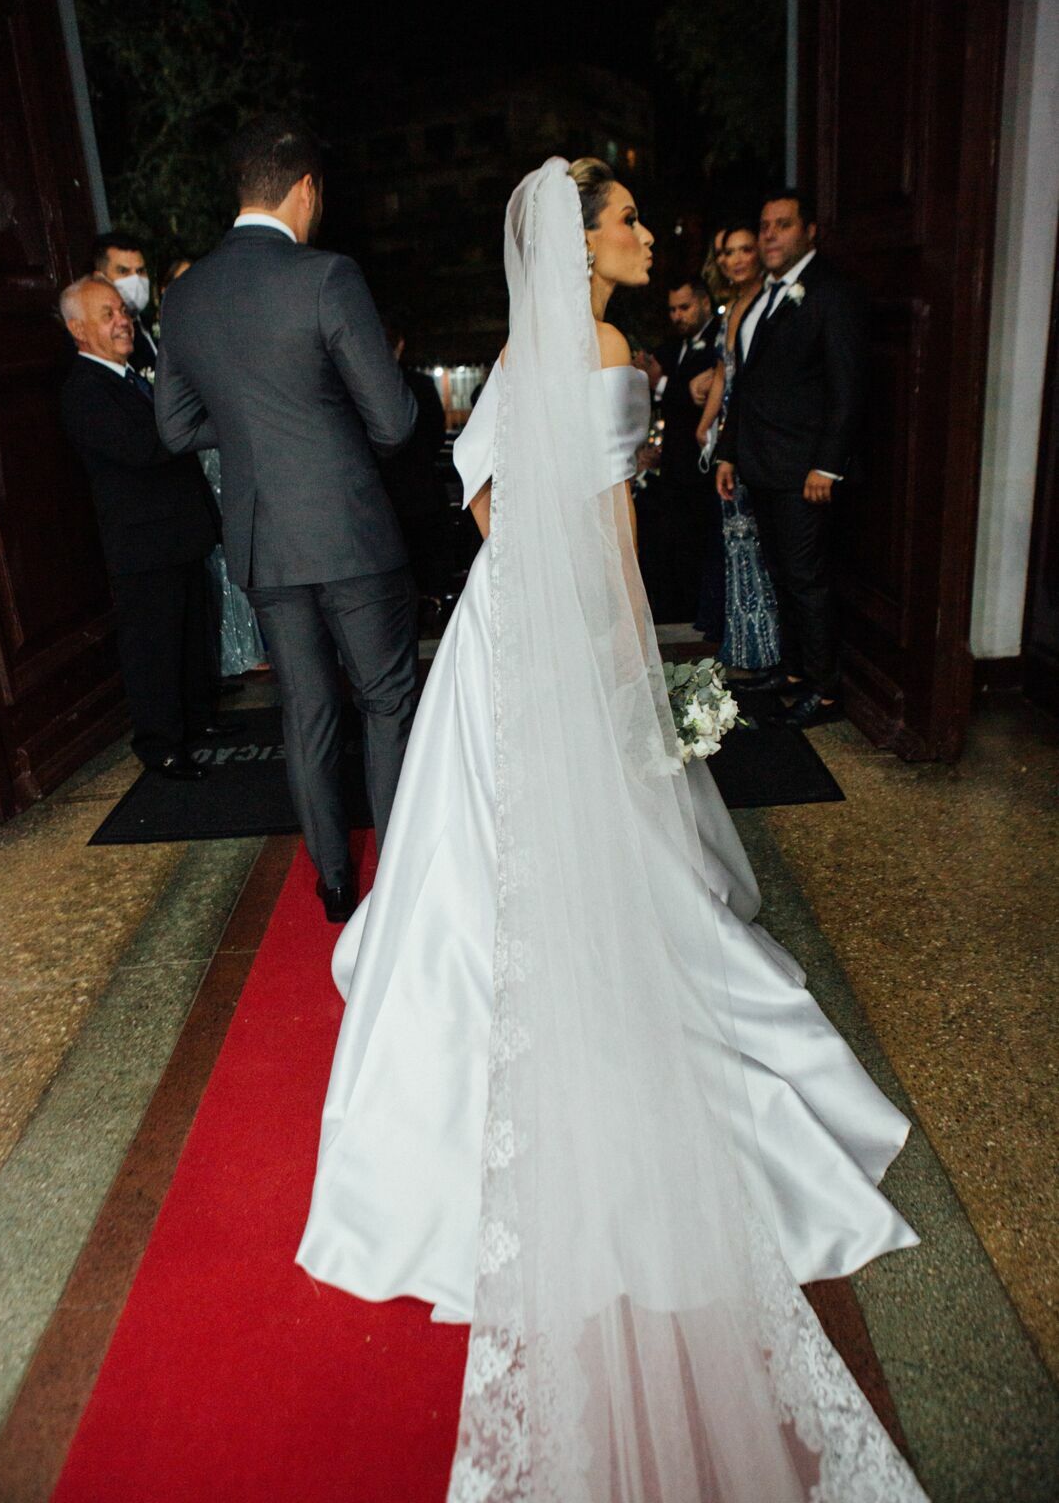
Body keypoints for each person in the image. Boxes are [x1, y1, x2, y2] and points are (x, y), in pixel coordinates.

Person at [297, 159, 926, 1503]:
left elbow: (481, 503)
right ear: (578, 244)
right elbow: (611, 526)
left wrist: (526, 584)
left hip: (490, 633)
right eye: (627, 220)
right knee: (609, 863)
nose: (647, 235)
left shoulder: (529, 348)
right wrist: (639, 671)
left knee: (471, 865)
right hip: (563, 635)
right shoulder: (599, 345)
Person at [156, 114, 418, 922]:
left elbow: (172, 428)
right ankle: (407, 873)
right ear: (305, 188)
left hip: (264, 540)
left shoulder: (189, 293)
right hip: (346, 529)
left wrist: (245, 430)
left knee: (306, 709)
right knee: (384, 700)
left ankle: (334, 881)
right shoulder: (326, 277)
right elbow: (395, 421)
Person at [59, 275, 226, 780]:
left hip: (179, 532)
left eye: (123, 312)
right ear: (78, 330)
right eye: (107, 314)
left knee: (194, 635)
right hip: (143, 543)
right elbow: (143, 448)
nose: (122, 321)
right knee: (154, 647)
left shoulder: (130, 375)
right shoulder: (85, 389)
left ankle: (197, 723)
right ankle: (161, 745)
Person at [715, 189, 867, 729]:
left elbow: (846, 387)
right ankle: (797, 671)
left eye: (782, 225)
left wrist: (827, 465)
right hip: (761, 463)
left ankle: (825, 692)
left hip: (804, 471)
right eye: (765, 225)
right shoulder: (762, 297)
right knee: (781, 574)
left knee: (807, 579)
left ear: (810, 232)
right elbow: (747, 387)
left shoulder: (830, 293)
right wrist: (729, 455)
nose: (770, 235)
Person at [159, 256, 268, 679]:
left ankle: (249, 642)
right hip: (205, 449)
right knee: (222, 552)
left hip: (231, 450)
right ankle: (232, 648)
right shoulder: (177, 336)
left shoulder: (223, 330)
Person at [694, 223, 781, 672]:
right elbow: (723, 376)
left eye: (745, 250)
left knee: (757, 539)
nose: (735, 259)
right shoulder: (730, 313)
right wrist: (705, 426)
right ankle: (746, 643)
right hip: (730, 434)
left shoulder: (771, 304)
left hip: (756, 437)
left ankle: (770, 647)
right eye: (727, 252)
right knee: (735, 540)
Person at [633, 277, 723, 627]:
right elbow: (668, 395)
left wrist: (665, 385)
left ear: (703, 302)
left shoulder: (718, 342)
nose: (677, 315)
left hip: (704, 467)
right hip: (671, 467)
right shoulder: (672, 348)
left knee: (698, 549)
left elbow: (699, 400)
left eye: (684, 307)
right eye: (672, 309)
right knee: (672, 549)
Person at [377, 313, 454, 629]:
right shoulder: (420, 385)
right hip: (420, 489)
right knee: (426, 562)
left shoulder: (355, 390)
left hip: (383, 494)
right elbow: (436, 435)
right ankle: (429, 609)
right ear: (400, 346)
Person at [93, 230, 158, 375]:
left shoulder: (154, 326)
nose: (135, 280)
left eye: (140, 271)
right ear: (99, 279)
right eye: (123, 271)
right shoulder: (92, 339)